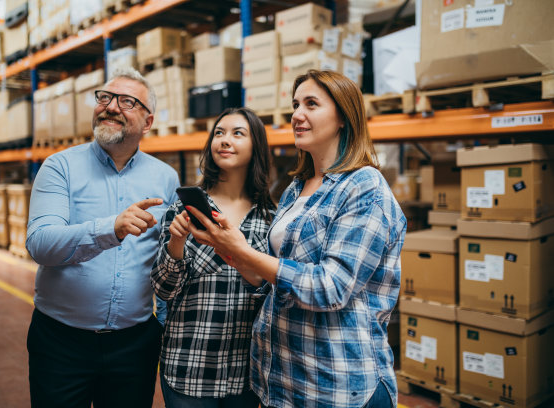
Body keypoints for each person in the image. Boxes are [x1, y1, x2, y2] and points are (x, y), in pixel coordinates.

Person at [185, 70, 407, 408]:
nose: (297, 114)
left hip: (337, 384)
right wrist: (230, 250)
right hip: (284, 381)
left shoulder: (365, 188)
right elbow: (272, 280)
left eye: (311, 104)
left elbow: (330, 288)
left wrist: (243, 250)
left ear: (343, 118)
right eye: (295, 105)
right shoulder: (296, 188)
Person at [25, 67, 180, 408]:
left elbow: (165, 258)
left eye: (126, 101)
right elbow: (40, 243)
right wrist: (111, 228)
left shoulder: (165, 178)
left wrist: (164, 326)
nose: (110, 107)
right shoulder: (59, 167)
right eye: (105, 97)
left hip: (134, 345)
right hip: (61, 342)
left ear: (148, 122)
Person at [150, 107, 276, 408]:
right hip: (189, 369)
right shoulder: (185, 210)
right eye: (218, 133)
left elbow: (273, 291)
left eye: (237, 133)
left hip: (245, 375)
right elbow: (163, 290)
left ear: (256, 145)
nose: (224, 140)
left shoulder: (271, 219)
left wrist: (241, 257)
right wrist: (177, 241)